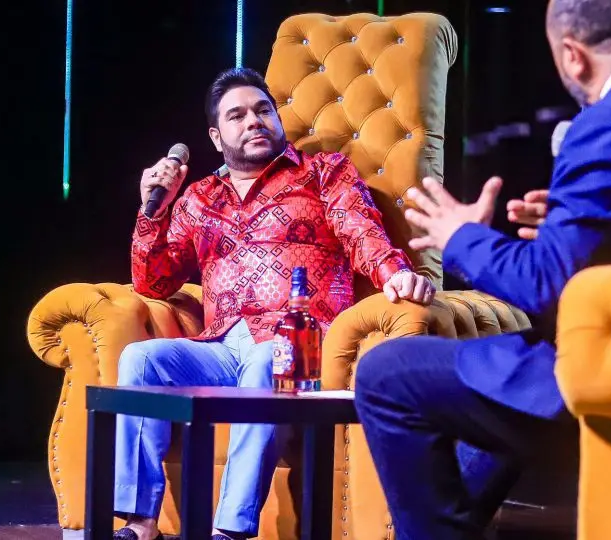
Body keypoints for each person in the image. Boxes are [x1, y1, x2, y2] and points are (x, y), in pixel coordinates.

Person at [353, 0, 611, 538]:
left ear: (572, 56)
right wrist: (571, 225)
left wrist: (460, 235)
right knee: (492, 379)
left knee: (388, 374)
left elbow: (542, 285)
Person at [113, 67, 434, 540]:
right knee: (141, 359)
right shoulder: (199, 198)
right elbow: (153, 282)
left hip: (300, 341)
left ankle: (230, 530)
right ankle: (141, 523)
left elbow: (361, 231)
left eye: (263, 110)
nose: (253, 121)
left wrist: (396, 273)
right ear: (216, 136)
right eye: (237, 115)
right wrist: (153, 213)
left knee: (269, 358)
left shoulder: (323, 173)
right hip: (222, 346)